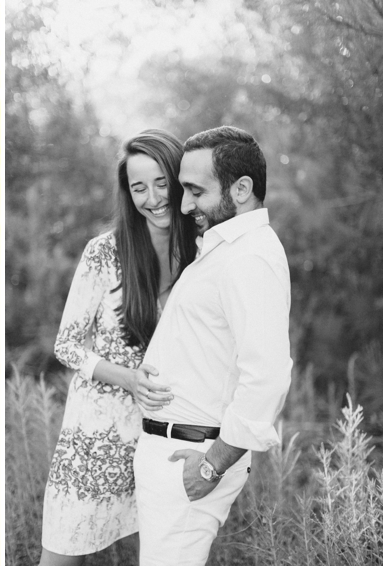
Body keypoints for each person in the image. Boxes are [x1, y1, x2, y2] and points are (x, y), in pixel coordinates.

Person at [133, 126, 292, 566]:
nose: (184, 206)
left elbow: (268, 376)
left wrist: (211, 466)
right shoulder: (225, 249)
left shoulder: (250, 257)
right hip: (170, 453)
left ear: (241, 189)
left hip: (193, 458)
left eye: (195, 191)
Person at [40, 130, 198, 565]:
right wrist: (127, 378)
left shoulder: (201, 254)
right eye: (138, 187)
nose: (153, 197)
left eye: (162, 182)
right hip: (96, 436)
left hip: (165, 436)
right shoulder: (104, 253)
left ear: (180, 178)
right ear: (128, 194)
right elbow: (67, 346)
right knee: (63, 553)